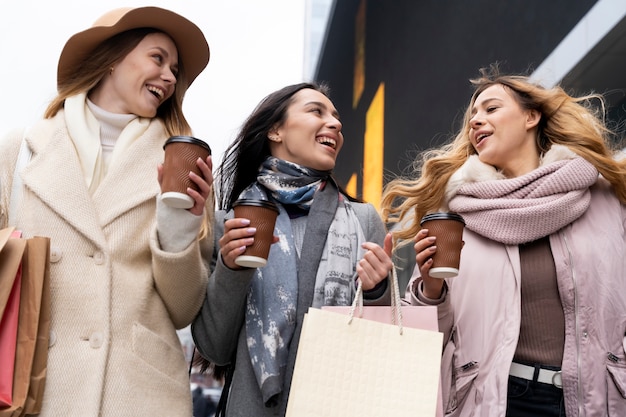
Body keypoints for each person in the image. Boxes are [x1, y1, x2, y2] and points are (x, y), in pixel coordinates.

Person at [0, 7, 213, 417]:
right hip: (32, 392)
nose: (169, 76)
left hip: (139, 394)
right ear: (112, 56)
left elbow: (184, 309)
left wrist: (180, 226)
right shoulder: (21, 151)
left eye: (175, 69)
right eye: (158, 58)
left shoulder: (183, 164)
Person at [380, 64, 626, 416]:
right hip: (498, 401)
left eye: (491, 108)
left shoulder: (604, 196)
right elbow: (421, 339)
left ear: (531, 116)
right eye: (473, 115)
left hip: (597, 398)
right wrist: (431, 289)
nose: (475, 120)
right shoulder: (453, 215)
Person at [191, 82, 393, 416]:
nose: (335, 123)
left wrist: (377, 291)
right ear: (275, 131)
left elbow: (379, 342)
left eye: (336, 116)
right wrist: (231, 269)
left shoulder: (362, 220)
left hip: (339, 404)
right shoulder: (231, 224)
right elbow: (214, 348)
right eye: (317, 111)